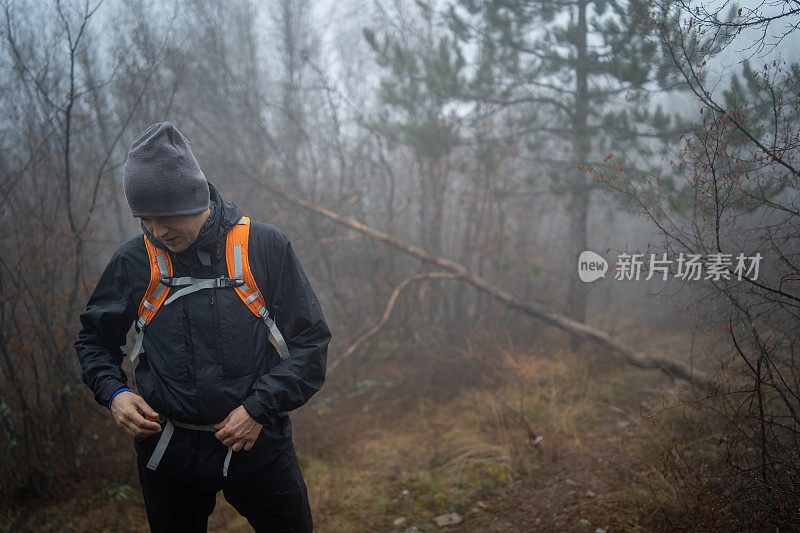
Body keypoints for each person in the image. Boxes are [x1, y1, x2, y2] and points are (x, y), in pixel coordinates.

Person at [74, 121, 331, 532]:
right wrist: (116, 393)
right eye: (145, 219)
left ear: (196, 199)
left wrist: (257, 408)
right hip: (168, 451)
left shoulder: (262, 247)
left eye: (166, 218)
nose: (157, 232)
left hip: (258, 442)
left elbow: (311, 344)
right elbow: (93, 340)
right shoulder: (134, 262)